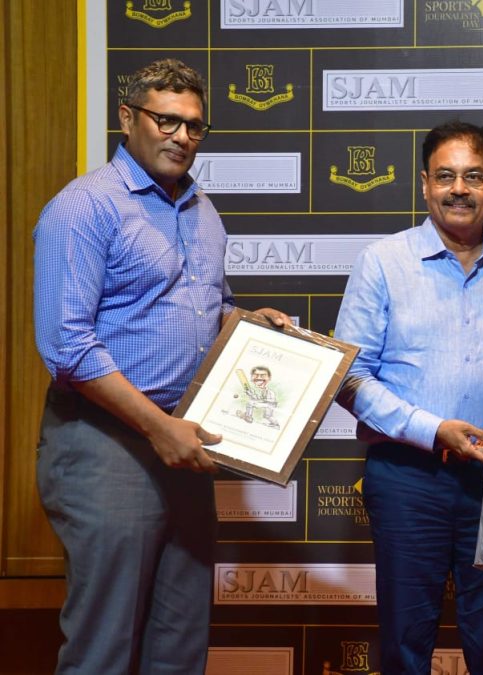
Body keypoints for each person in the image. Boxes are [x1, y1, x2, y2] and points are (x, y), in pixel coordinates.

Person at [33, 58, 291, 674]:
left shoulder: (203, 212)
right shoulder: (83, 208)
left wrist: (248, 325)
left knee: (180, 643)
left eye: (194, 126)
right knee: (104, 646)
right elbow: (67, 346)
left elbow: (206, 308)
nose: (181, 136)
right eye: (166, 120)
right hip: (107, 445)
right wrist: (157, 426)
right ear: (128, 118)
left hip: (185, 443)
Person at [334, 120, 483, 675]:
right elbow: (348, 378)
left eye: (473, 176)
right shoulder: (381, 263)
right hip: (407, 476)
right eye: (445, 176)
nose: (458, 188)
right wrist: (430, 428)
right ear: (424, 184)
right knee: (404, 641)